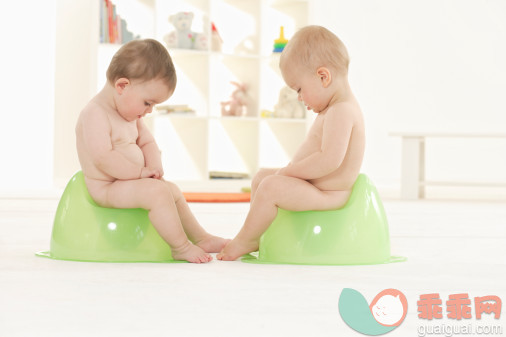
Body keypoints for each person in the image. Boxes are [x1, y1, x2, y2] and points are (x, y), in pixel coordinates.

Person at [217, 26, 365, 261]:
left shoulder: (342, 111)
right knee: (261, 178)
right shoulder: (333, 109)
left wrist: (289, 171)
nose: (299, 97)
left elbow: (329, 160)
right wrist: (287, 173)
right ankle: (261, 232)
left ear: (323, 76)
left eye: (299, 89)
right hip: (317, 189)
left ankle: (247, 239)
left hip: (329, 195)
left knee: (270, 186)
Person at [76, 39, 228, 263]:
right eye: (147, 103)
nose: (149, 111)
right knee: (157, 193)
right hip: (107, 189)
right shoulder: (95, 113)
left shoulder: (129, 114)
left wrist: (154, 166)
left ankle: (201, 237)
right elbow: (103, 158)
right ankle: (180, 247)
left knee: (171, 190)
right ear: (122, 86)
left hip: (128, 182)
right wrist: (139, 173)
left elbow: (147, 142)